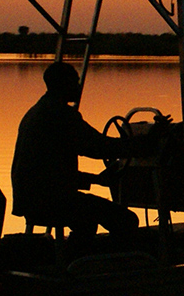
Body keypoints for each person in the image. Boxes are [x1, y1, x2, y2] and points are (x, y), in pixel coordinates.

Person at [11, 61, 141, 258]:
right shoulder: (61, 115)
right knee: (126, 219)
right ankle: (112, 267)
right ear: (63, 84)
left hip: (32, 198)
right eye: (75, 82)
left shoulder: (38, 111)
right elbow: (98, 147)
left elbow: (49, 170)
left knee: (86, 221)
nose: (78, 87)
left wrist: (96, 180)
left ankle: (74, 262)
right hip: (49, 199)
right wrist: (141, 145)